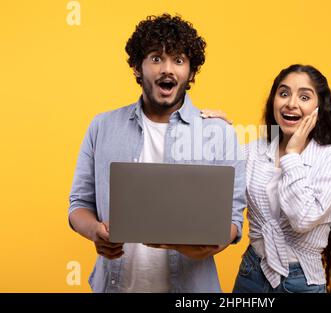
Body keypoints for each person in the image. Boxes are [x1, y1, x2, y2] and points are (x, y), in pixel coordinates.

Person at [68, 14, 246, 293]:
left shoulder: (218, 133)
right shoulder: (102, 127)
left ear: (191, 72)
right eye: (155, 58)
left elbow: (233, 220)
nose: (168, 69)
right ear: (137, 68)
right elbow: (78, 204)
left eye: (178, 60)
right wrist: (95, 232)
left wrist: (212, 242)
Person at [201, 64, 331, 293]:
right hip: (252, 273)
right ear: (273, 101)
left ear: (319, 107)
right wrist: (216, 130)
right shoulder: (252, 151)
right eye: (283, 93)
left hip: (301, 281)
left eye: (304, 96)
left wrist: (292, 155)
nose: (291, 103)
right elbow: (206, 182)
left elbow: (303, 219)